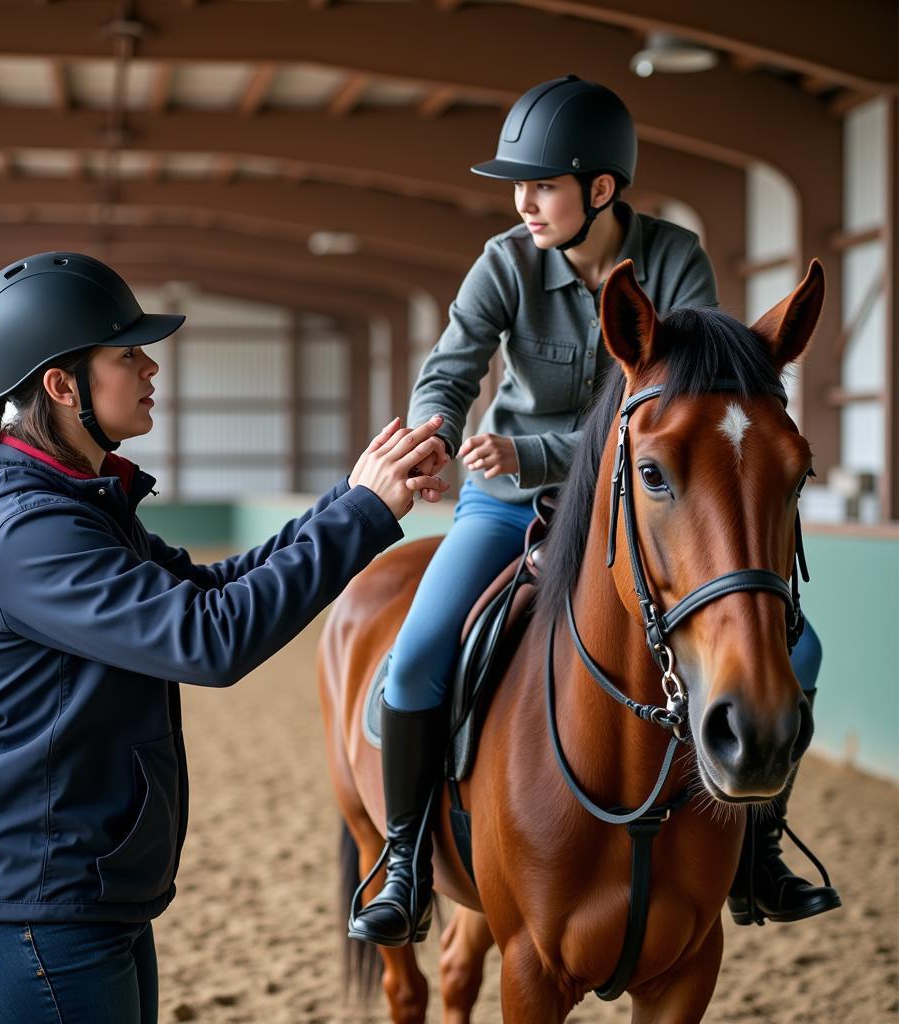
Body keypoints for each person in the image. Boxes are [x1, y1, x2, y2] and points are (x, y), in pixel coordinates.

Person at [0, 251, 449, 1021]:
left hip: (78, 893)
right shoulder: (29, 533)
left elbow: (208, 587)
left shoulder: (76, 504)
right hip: (30, 911)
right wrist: (365, 518)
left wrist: (350, 499)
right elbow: (210, 640)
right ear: (62, 385)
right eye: (127, 355)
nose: (150, 368)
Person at [347, 74, 839, 949]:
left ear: (600, 189)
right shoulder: (505, 261)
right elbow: (453, 365)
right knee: (415, 659)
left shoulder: (678, 261)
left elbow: (666, 425)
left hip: (639, 505)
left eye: (541, 184)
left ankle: (758, 851)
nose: (523, 202)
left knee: (797, 646)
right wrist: (435, 434)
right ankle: (405, 858)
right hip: (505, 508)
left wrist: (534, 450)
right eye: (519, 185)